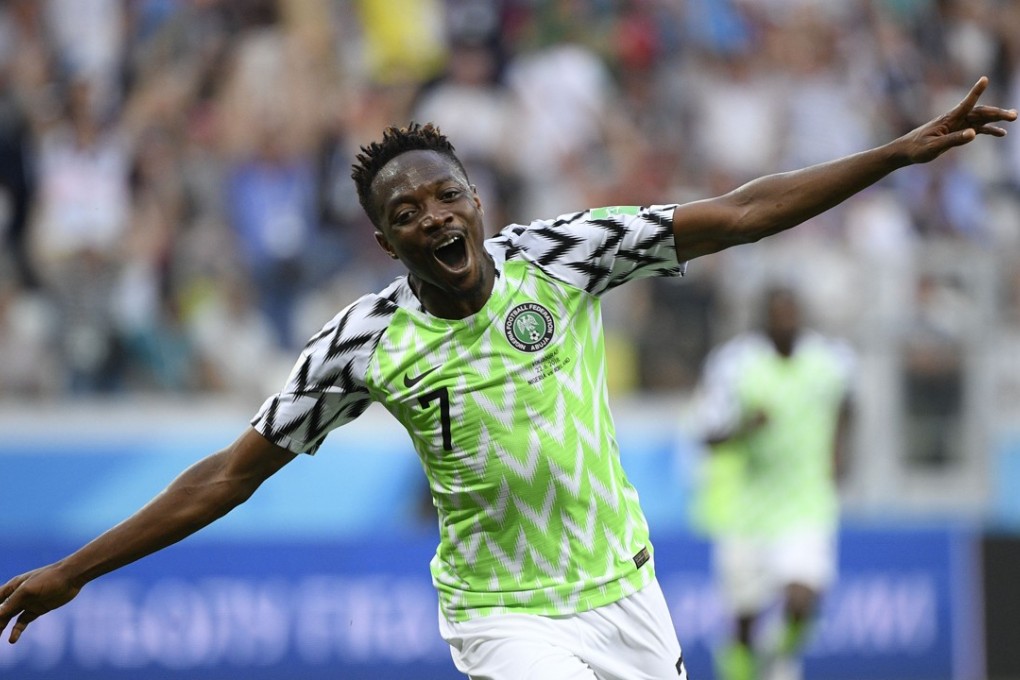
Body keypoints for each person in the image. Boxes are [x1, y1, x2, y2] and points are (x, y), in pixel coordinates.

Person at [0, 77, 1014, 680]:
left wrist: (899, 153)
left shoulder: (564, 256)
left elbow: (740, 212)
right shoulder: (359, 343)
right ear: (383, 236)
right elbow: (223, 476)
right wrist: (74, 569)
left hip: (624, 587)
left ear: (477, 200)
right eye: (410, 211)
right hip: (503, 609)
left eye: (448, 195)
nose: (436, 217)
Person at [693, 286, 856, 680]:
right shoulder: (735, 363)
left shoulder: (827, 361)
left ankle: (771, 657)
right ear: (763, 318)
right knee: (745, 617)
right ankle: (749, 663)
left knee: (802, 598)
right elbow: (707, 435)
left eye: (792, 313)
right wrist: (746, 428)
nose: (786, 322)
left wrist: (840, 451)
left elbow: (849, 403)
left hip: (806, 501)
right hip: (749, 507)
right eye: (778, 314)